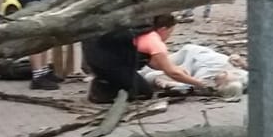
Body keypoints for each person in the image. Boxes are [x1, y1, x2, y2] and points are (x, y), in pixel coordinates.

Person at [82, 14, 210, 104]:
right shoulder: (154, 41)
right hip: (110, 63)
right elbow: (171, 73)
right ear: (163, 29)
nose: (169, 36)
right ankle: (102, 92)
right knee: (144, 93)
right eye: (170, 32)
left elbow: (155, 63)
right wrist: (200, 84)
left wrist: (178, 69)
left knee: (133, 80)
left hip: (99, 59)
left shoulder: (142, 32)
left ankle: (105, 83)